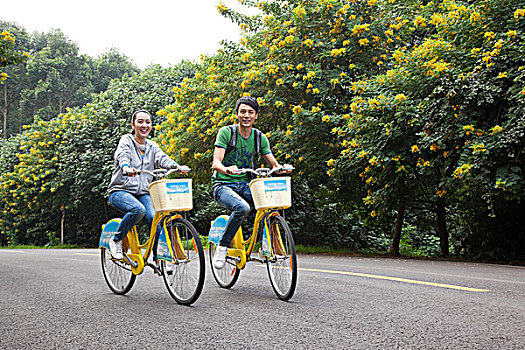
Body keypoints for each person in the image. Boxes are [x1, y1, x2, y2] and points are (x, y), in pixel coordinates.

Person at [211, 96, 291, 269]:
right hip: (223, 185)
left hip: (246, 184)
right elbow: (216, 163)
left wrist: (281, 168)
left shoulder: (259, 138)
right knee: (242, 208)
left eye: (250, 112)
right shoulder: (227, 133)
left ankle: (266, 245)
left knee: (270, 203)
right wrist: (226, 169)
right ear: (237, 114)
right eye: (243, 112)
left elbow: (273, 164)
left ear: (256, 116)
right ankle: (223, 246)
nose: (246, 115)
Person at [107, 110, 182, 270]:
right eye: (140, 122)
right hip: (120, 191)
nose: (144, 125)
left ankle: (158, 257)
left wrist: (176, 166)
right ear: (133, 125)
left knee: (155, 217)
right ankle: (116, 240)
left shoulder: (152, 146)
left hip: (143, 192)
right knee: (138, 210)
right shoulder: (126, 140)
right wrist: (126, 167)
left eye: (147, 122)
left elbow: (162, 158)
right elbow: (123, 156)